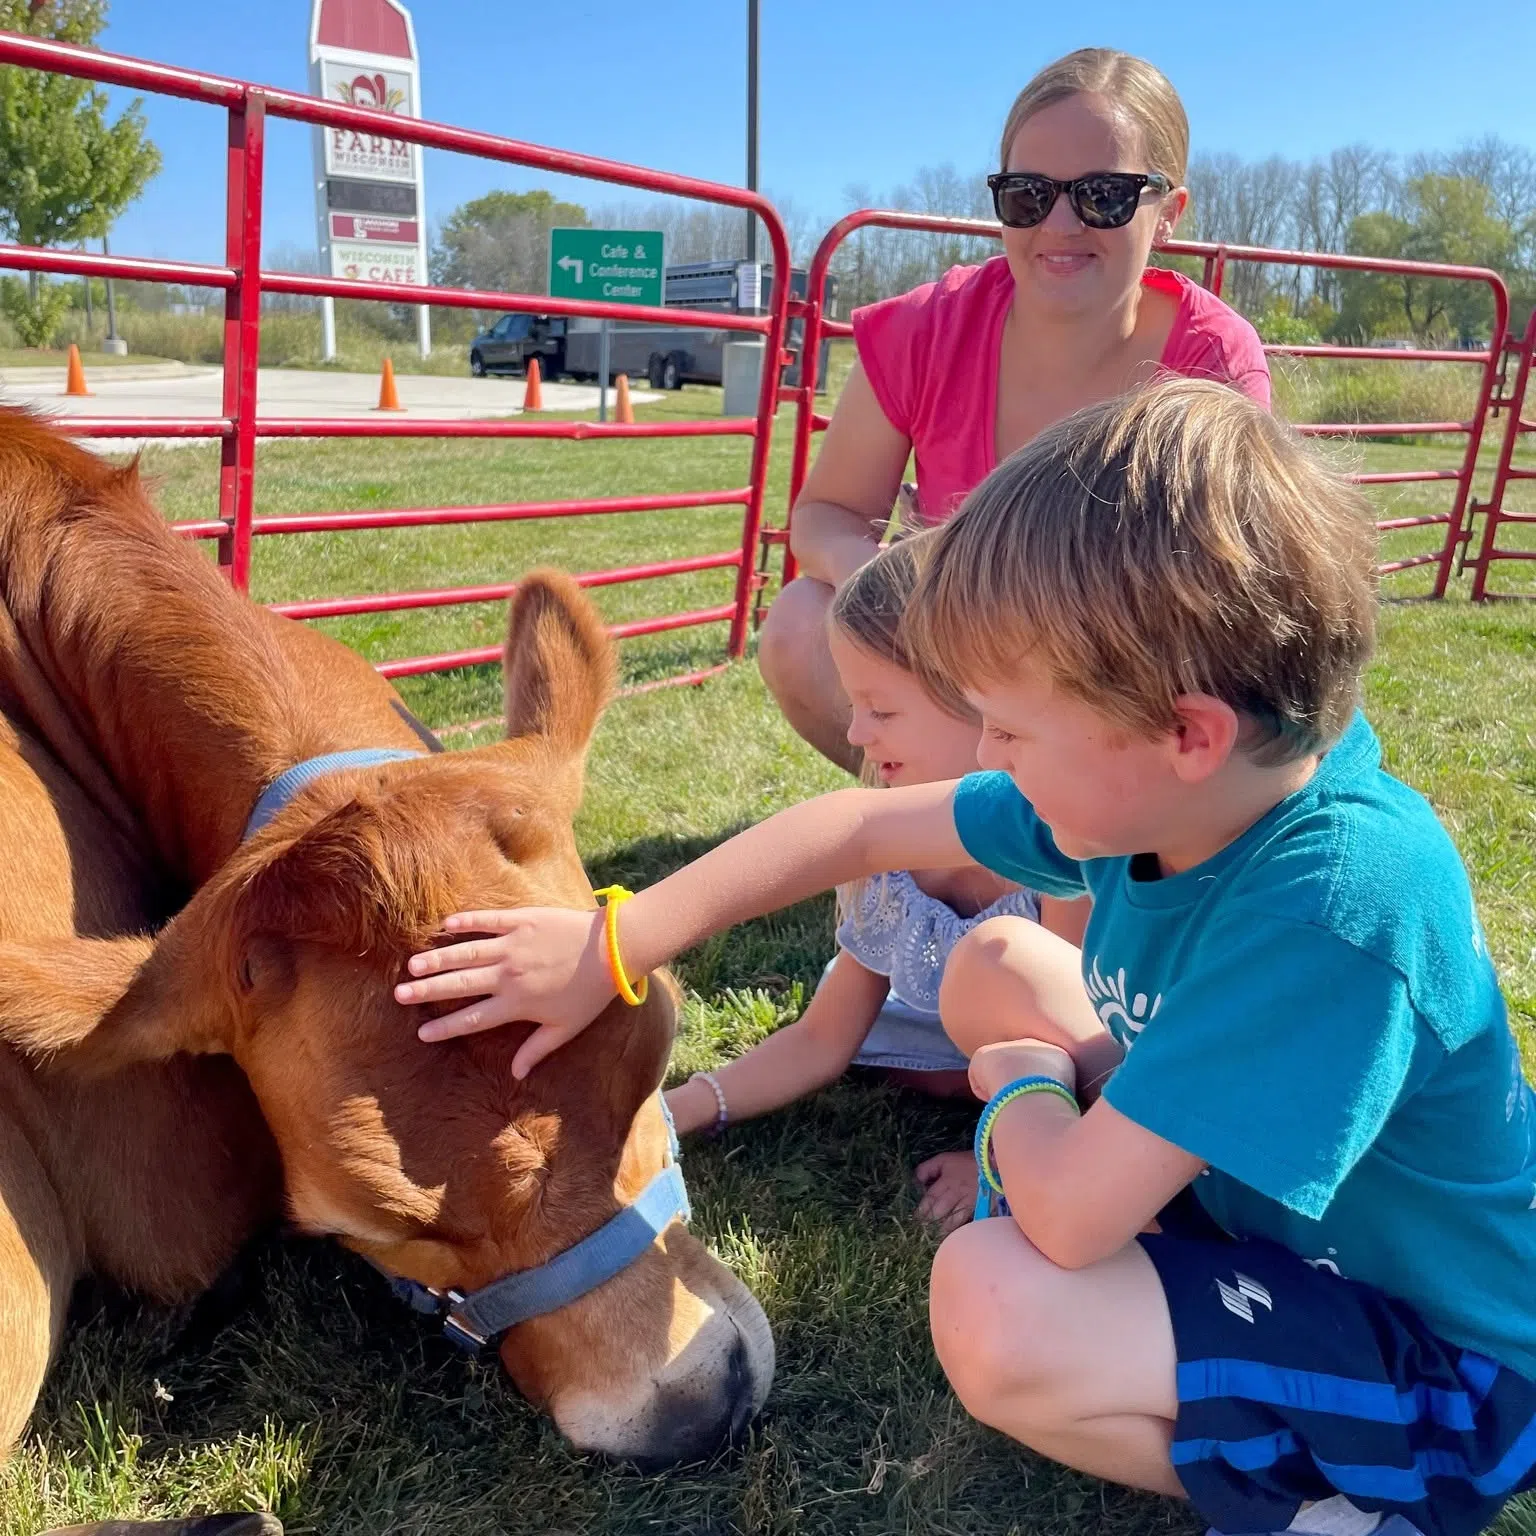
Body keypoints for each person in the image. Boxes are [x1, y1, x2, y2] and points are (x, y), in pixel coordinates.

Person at [397, 379, 1536, 1536]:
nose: (982, 757)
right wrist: (613, 944)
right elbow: (847, 828)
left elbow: (1072, 1221)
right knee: (998, 961)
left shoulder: (1334, 905)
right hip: (1261, 1232)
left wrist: (1021, 1077)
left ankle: (1344, 1513)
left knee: (995, 1302)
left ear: (1186, 732)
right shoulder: (1172, 791)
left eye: (1008, 725)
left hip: (1447, 1369)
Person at [759, 46, 1270, 774]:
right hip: (948, 643)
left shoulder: (1213, 361)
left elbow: (1214, 595)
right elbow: (825, 516)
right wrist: (900, 583)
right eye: (1029, 194)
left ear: (1168, 214)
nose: (1059, 224)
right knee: (799, 626)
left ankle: (1069, 845)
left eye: (1104, 195)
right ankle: (936, 834)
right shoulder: (925, 329)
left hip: (1118, 674)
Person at [663, 539, 1099, 1233]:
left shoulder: (1067, 853)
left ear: (981, 700)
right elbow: (820, 1040)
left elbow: (1091, 1047)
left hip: (1064, 1061)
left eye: (882, 709)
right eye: (853, 705)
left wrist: (996, 1152)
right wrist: (681, 1107)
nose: (856, 731)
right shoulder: (889, 861)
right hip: (932, 1046)